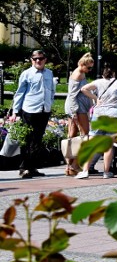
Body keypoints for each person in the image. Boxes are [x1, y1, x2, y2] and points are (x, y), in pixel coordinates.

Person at [10, 50, 56, 179]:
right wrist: (15, 112)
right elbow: (19, 93)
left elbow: (52, 90)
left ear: (45, 60)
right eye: (35, 58)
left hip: (44, 110)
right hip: (29, 110)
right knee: (27, 140)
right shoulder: (27, 74)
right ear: (31, 60)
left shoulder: (49, 73)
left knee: (37, 140)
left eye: (40, 58)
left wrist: (50, 103)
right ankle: (23, 168)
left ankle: (32, 167)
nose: (38, 61)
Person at [64, 53, 96, 176]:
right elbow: (72, 95)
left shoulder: (80, 73)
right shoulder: (78, 74)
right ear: (82, 65)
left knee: (72, 135)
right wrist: (74, 112)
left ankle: (69, 166)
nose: (90, 70)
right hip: (78, 108)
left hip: (77, 107)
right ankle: (75, 165)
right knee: (85, 136)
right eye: (88, 68)